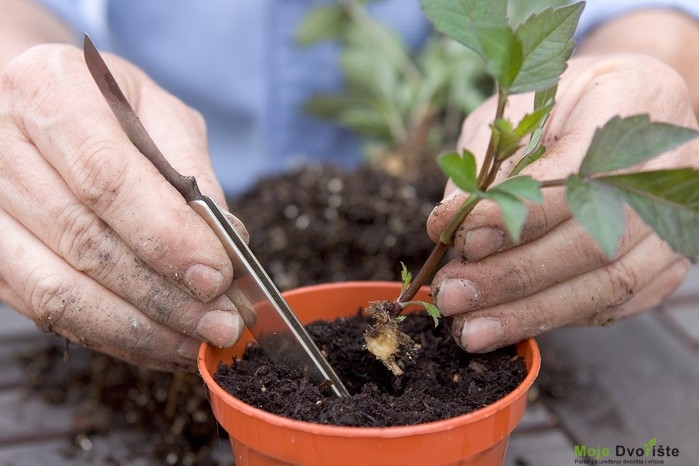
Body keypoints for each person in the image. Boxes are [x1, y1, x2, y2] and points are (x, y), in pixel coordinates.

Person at [0, 0, 697, 371]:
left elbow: (650, 17)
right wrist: (27, 94)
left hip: (506, 261)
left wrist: (648, 70)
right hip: (162, 232)